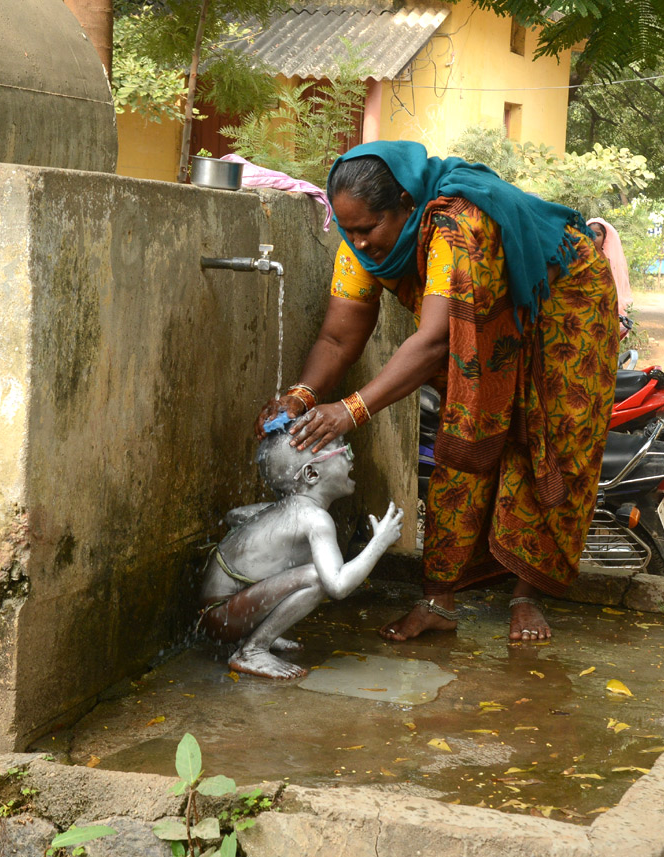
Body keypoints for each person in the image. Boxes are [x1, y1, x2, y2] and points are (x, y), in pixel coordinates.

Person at [254, 140, 619, 644]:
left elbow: (434, 343)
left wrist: (351, 410)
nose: (358, 242)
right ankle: (437, 600)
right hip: (481, 314)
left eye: (368, 229)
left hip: (561, 300)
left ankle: (526, 594)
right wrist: (300, 395)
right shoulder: (361, 246)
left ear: (406, 203)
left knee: (547, 434)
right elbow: (338, 338)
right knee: (465, 428)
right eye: (348, 230)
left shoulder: (454, 228)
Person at [200, 433, 404, 679]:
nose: (352, 460)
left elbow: (234, 515)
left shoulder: (281, 508)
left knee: (304, 557)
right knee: (319, 577)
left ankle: (255, 634)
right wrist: (379, 542)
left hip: (217, 614)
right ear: (312, 474)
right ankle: (252, 651)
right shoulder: (315, 518)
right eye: (344, 451)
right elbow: (337, 586)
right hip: (222, 617)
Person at [586, 217, 632, 337]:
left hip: (602, 312)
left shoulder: (607, 262)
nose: (593, 238)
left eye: (597, 234)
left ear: (605, 238)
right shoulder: (576, 259)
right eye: (589, 233)